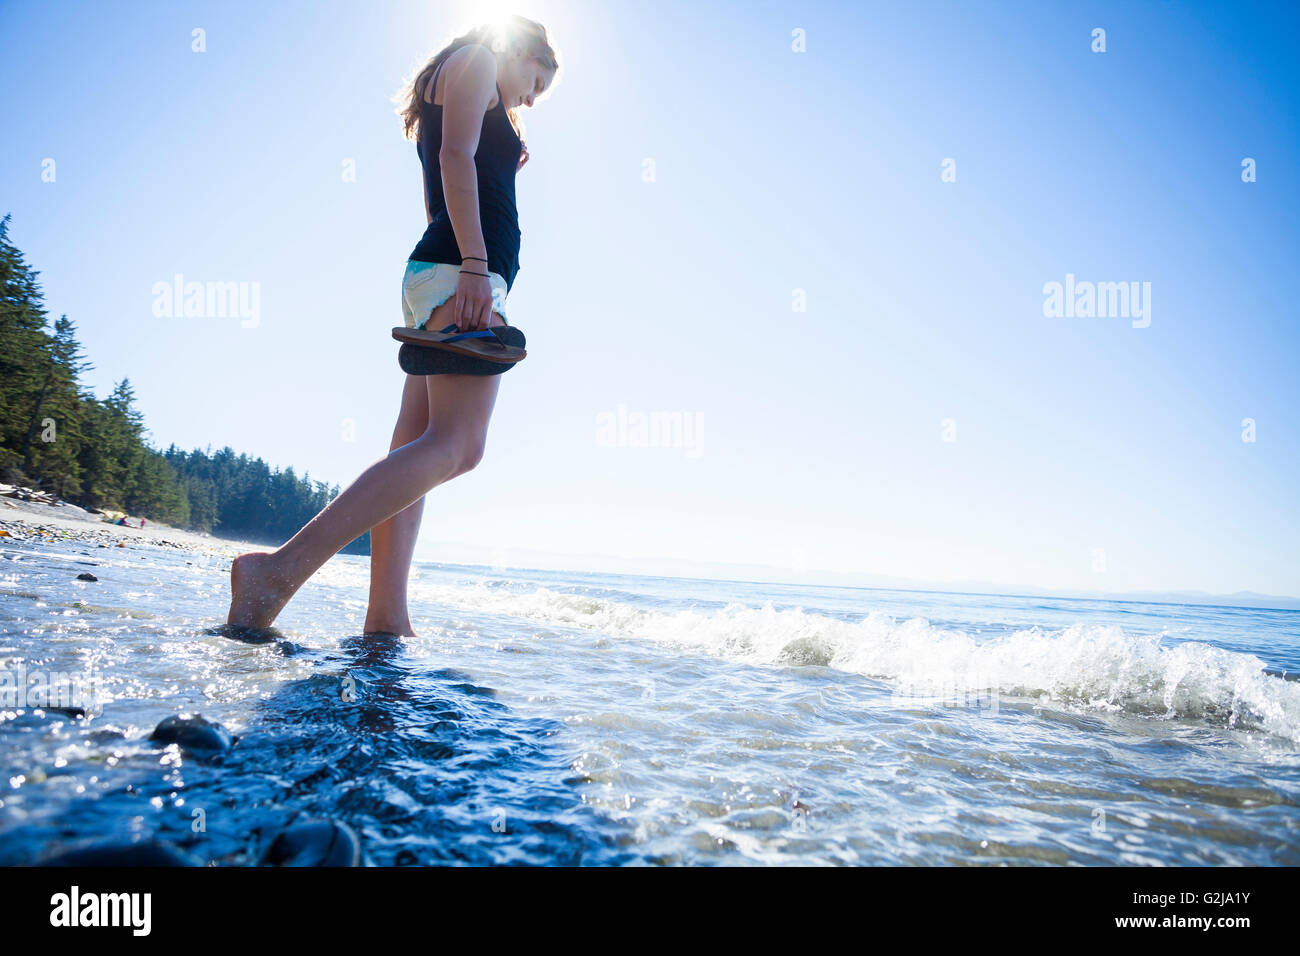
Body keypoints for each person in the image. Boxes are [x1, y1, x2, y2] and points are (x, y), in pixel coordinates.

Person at [225, 16, 558, 635]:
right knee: (459, 447)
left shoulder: (460, 76)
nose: (533, 100)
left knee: (414, 449)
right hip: (460, 276)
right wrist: (477, 269)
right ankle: (278, 570)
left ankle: (386, 616)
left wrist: (505, 161)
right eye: (537, 81)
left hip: (442, 273)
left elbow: (447, 181)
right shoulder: (481, 58)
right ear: (521, 50)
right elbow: (454, 157)